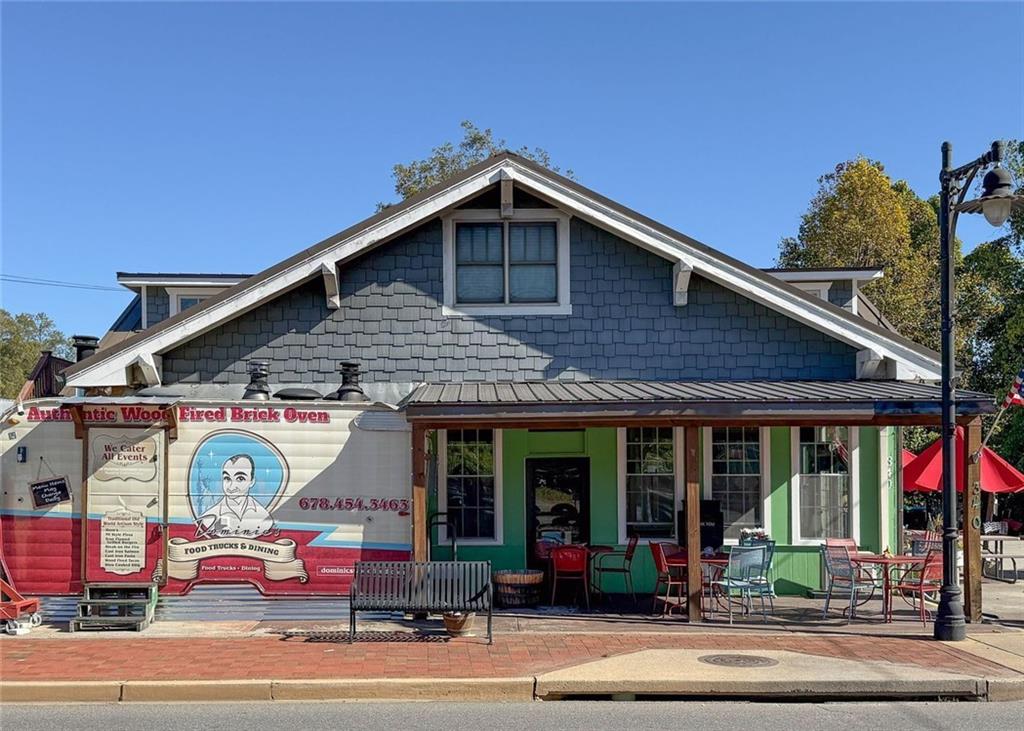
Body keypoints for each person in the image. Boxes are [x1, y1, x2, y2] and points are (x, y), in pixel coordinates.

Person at [197, 453, 274, 538]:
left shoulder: (264, 516)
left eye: (240, 479)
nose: (231, 486)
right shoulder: (210, 517)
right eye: (227, 478)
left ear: (252, 482)